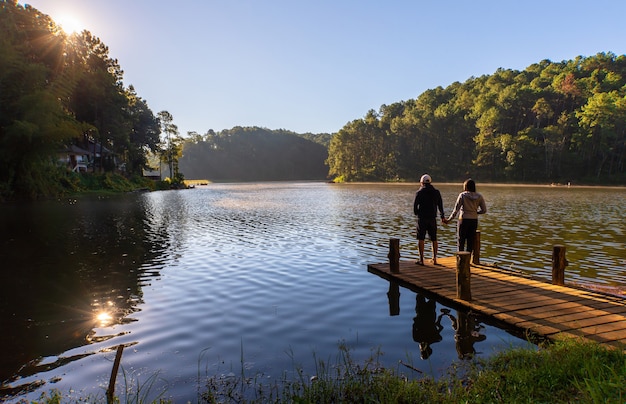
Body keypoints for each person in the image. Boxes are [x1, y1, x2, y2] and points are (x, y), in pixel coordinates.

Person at [445, 178, 487, 254]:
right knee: (470, 241)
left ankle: (460, 260)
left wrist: (449, 220)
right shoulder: (479, 196)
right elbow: (484, 210)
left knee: (461, 240)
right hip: (474, 220)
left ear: (466, 187)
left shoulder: (462, 195)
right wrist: (476, 212)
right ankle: (468, 260)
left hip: (463, 219)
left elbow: (456, 210)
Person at [413, 174, 446, 265]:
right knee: (434, 238)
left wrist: (417, 213)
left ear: (421, 182)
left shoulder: (419, 192)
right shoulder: (436, 192)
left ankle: (421, 259)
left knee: (421, 238)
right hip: (432, 218)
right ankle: (434, 259)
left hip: (422, 218)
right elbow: (440, 205)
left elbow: (415, 207)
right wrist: (442, 216)